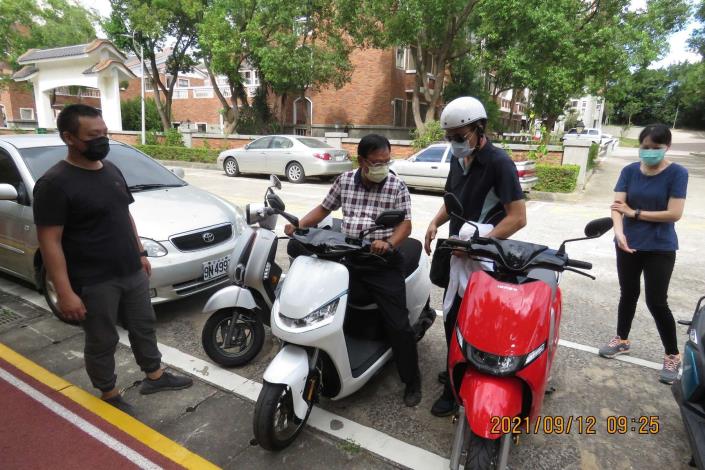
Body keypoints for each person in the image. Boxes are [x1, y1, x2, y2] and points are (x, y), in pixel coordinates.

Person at [33, 104, 192, 412]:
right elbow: (49, 241)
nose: (101, 140)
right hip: (93, 280)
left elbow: (124, 214)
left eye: (104, 133)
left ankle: (154, 376)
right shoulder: (54, 184)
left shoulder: (111, 170)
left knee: (144, 326)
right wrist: (64, 292)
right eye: (93, 135)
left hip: (130, 269)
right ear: (69, 137)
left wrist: (140, 252)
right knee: (102, 339)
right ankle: (108, 393)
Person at [284, 134, 422, 406]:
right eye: (377, 162)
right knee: (323, 303)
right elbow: (324, 209)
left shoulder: (395, 186)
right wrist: (298, 225)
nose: (383, 166)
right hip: (348, 255)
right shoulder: (345, 181)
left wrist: (389, 243)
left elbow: (406, 225)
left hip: (382, 262)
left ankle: (412, 380)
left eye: (387, 161)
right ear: (361, 161)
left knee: (398, 324)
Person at [424, 96, 527, 417]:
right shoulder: (458, 159)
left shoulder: (499, 163)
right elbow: (451, 199)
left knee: (478, 321)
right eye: (449, 136)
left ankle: (470, 382)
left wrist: (478, 242)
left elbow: (517, 217)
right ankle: (454, 379)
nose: (454, 142)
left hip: (484, 259)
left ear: (479, 128)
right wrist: (435, 222)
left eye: (460, 135)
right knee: (452, 319)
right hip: (457, 252)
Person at [598, 124, 688, 385]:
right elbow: (617, 206)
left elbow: (674, 213)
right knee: (628, 294)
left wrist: (634, 213)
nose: (649, 153)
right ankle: (622, 339)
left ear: (666, 147)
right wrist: (619, 233)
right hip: (627, 244)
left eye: (655, 148)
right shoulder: (628, 171)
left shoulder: (677, 173)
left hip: (660, 247)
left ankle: (672, 353)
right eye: (645, 148)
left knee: (657, 301)